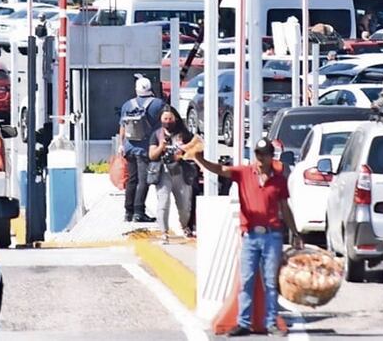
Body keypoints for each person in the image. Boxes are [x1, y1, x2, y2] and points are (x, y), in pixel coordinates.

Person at [192, 138, 302, 337]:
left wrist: (295, 232)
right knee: (247, 280)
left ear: (271, 156)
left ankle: (270, 322)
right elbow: (221, 170)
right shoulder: (244, 173)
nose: (261, 158)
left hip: (272, 235)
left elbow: (284, 207)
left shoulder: (278, 179)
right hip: (250, 235)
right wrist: (201, 160)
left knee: (270, 282)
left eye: (265, 154)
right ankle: (243, 322)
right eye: (259, 154)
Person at [148, 105, 196, 243]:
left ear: (176, 119)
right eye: (165, 119)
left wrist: (182, 154)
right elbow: (152, 155)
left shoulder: (184, 134)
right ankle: (164, 232)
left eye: (170, 118)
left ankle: (185, 225)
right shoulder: (156, 135)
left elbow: (195, 150)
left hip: (180, 172)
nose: (168, 121)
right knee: (163, 203)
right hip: (163, 172)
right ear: (161, 119)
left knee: (184, 205)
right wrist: (161, 147)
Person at [119, 75, 162, 223]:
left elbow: (122, 127)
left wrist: (121, 145)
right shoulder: (158, 104)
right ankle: (139, 212)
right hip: (146, 148)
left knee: (132, 179)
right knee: (143, 181)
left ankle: (128, 212)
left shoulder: (127, 105)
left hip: (129, 147)